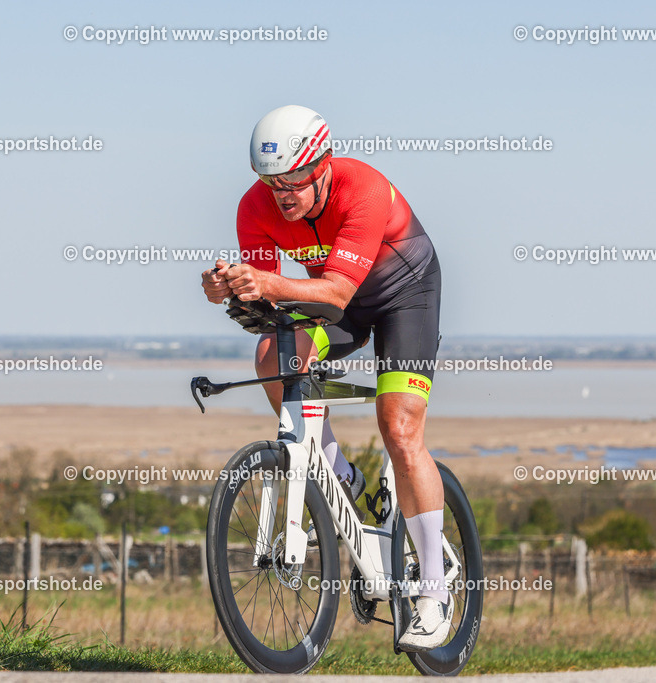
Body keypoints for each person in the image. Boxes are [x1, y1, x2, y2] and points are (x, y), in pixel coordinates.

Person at [201, 105, 449, 651]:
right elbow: (270, 300)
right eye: (270, 181)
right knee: (272, 353)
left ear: (322, 165)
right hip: (335, 301)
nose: (281, 193)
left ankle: (434, 588)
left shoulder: (362, 189)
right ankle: (336, 470)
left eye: (292, 179)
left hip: (401, 297)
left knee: (399, 429)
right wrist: (231, 289)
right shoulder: (255, 207)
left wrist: (266, 280)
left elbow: (335, 292)